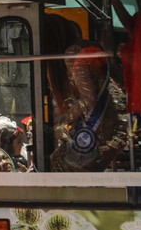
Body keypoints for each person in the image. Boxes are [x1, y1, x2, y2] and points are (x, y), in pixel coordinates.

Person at [49, 42, 131, 172]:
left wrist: (63, 120)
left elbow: (88, 98)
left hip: (97, 140)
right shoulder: (106, 85)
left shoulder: (77, 59)